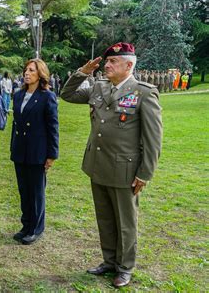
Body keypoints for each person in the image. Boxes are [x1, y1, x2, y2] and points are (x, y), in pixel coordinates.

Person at [61, 42, 162, 288]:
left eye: (113, 62)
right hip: (98, 165)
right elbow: (67, 94)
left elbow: (153, 138)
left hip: (125, 170)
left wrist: (145, 173)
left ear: (129, 65)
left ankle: (125, 267)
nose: (107, 65)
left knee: (126, 223)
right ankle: (109, 261)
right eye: (106, 61)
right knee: (105, 218)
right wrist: (82, 72)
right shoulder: (98, 87)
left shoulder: (144, 92)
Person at [10, 59, 59, 245]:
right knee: (24, 191)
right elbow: (16, 123)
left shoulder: (47, 96)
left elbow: (52, 127)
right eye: (26, 70)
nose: (27, 73)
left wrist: (51, 155)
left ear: (41, 74)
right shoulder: (18, 94)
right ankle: (26, 225)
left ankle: (36, 229)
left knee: (36, 192)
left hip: (38, 151)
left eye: (31, 70)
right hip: (20, 150)